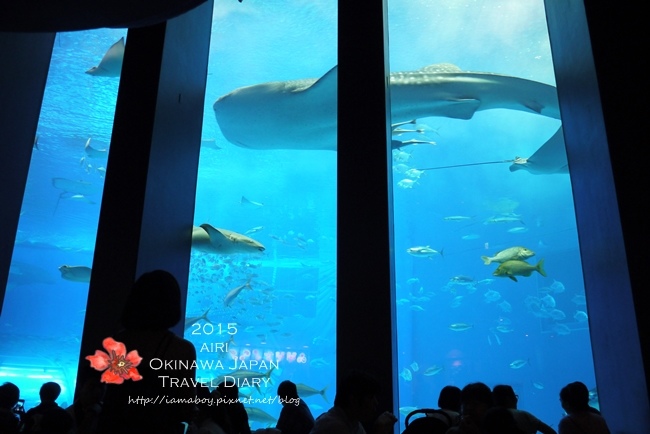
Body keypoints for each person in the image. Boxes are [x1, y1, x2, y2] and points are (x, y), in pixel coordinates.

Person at [94, 270, 198, 434]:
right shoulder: (181, 349)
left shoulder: (112, 343)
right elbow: (186, 406)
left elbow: (94, 395)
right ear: (172, 305)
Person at [310, 369, 397, 434]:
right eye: (370, 398)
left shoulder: (353, 423)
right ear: (353, 400)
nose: (376, 403)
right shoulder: (333, 427)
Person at [492, 384, 556, 434]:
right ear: (509, 399)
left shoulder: (490, 417)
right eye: (515, 396)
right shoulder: (523, 415)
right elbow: (550, 432)